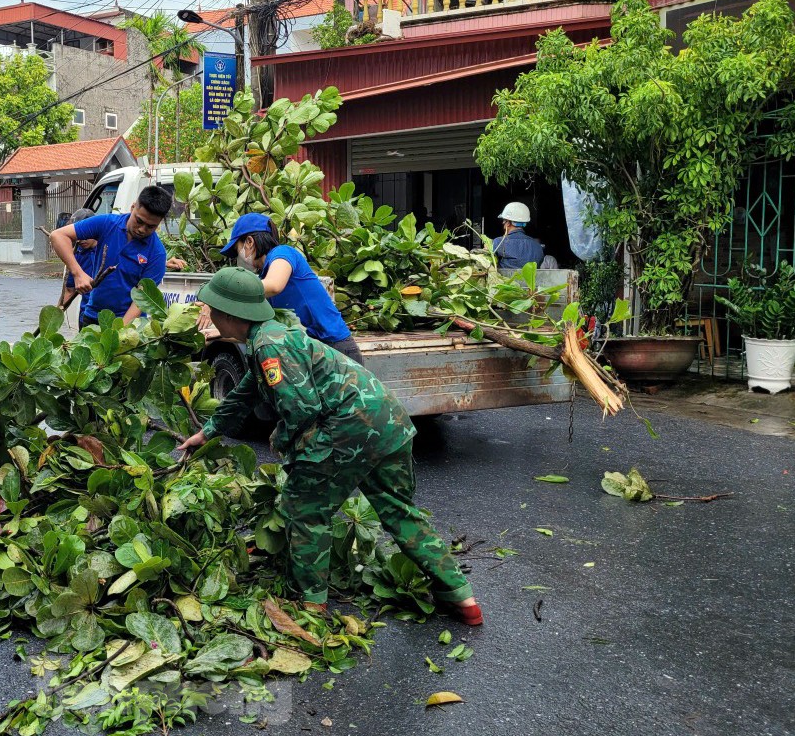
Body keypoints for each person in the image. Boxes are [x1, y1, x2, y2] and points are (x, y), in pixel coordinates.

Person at [177, 268, 482, 625]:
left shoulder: (269, 345)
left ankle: (312, 605)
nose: (210, 316)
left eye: (212, 310)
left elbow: (301, 408)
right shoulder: (275, 333)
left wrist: (286, 446)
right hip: (389, 424)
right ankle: (462, 599)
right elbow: (247, 390)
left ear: (229, 314)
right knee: (399, 512)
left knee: (306, 511)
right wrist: (208, 431)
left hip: (350, 429)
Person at [219, 213, 365, 366]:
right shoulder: (264, 277)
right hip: (312, 350)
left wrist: (225, 293)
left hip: (336, 349)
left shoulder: (282, 253)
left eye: (237, 250)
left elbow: (275, 285)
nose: (238, 259)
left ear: (249, 242)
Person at [49, 186, 172, 326]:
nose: (142, 229)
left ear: (159, 223)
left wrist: (119, 333)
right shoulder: (107, 224)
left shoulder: (157, 254)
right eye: (139, 221)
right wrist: (78, 273)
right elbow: (58, 235)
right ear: (133, 208)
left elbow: (140, 300)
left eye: (150, 226)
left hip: (129, 326)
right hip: (93, 317)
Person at [56, 208, 100, 322]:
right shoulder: (76, 255)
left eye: (86, 234)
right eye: (78, 235)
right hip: (87, 316)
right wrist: (54, 318)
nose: (81, 240)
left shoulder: (108, 249)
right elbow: (70, 291)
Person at [490, 202, 544, 269]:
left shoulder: (498, 242)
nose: (503, 224)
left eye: (504, 221)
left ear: (508, 223)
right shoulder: (537, 246)